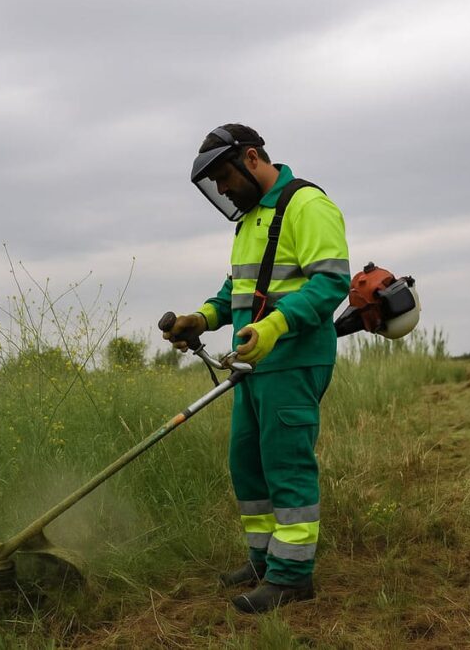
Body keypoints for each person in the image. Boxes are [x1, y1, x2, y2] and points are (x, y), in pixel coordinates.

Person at [162, 124, 351, 613]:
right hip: (253, 365)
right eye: (215, 184)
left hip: (293, 359)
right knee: (248, 465)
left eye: (224, 178)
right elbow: (238, 291)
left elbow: (331, 283)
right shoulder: (251, 221)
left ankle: (292, 577)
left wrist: (274, 327)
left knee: (286, 466)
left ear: (251, 159)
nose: (222, 190)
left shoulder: (307, 205)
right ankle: (264, 560)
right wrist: (201, 318)